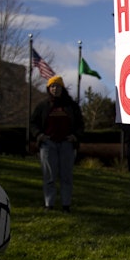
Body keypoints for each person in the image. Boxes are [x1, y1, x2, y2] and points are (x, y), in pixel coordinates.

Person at [30, 75, 84, 212]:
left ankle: (66, 205)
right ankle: (49, 204)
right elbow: (33, 123)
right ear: (49, 89)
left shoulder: (71, 106)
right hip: (48, 144)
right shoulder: (43, 106)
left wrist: (75, 136)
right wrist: (39, 135)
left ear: (62, 88)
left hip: (66, 144)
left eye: (58, 86)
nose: (55, 89)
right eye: (52, 86)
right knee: (49, 176)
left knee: (66, 176)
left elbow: (80, 124)